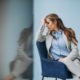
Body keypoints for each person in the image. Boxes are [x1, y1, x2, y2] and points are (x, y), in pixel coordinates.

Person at [36, 13, 80, 80]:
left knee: (76, 65)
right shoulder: (48, 35)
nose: (47, 25)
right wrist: (43, 25)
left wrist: (66, 59)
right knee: (76, 69)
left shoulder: (68, 32)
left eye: (48, 23)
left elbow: (75, 51)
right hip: (57, 61)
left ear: (55, 22)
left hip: (71, 58)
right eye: (46, 23)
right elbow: (38, 39)